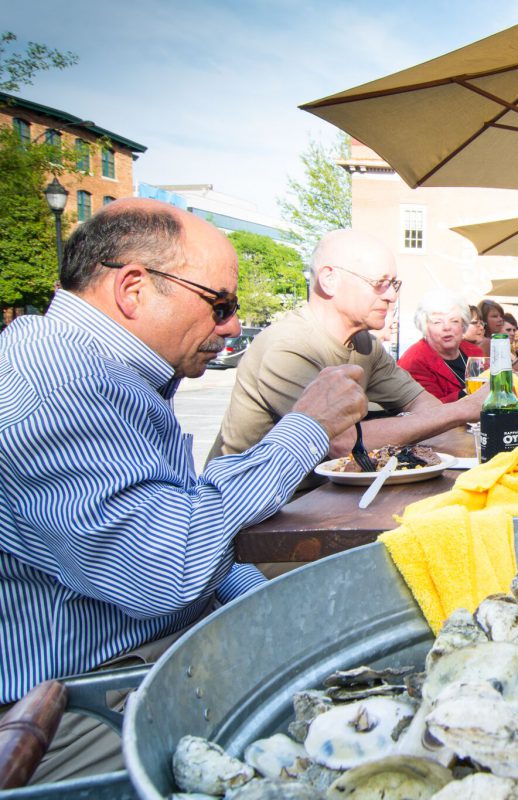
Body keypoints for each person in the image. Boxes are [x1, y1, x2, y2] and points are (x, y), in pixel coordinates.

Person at [0, 199, 366, 783]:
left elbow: (180, 519)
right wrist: (306, 428)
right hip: (73, 707)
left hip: (136, 657)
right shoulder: (55, 382)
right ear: (134, 289)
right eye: (219, 303)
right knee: (354, 732)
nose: (230, 326)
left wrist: (271, 600)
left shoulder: (102, 370)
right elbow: (169, 564)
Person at [210, 230, 485, 479]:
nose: (391, 296)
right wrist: (462, 409)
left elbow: (428, 408)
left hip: (325, 494)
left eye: (394, 284)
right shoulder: (288, 347)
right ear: (330, 279)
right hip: (258, 514)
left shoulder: (365, 344)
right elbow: (340, 443)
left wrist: (452, 414)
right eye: (379, 282)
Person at [399, 289, 484, 403]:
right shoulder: (414, 362)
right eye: (437, 322)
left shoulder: (475, 352)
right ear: (424, 326)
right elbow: (430, 409)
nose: (447, 327)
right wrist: (468, 392)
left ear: (463, 324)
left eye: (454, 321)